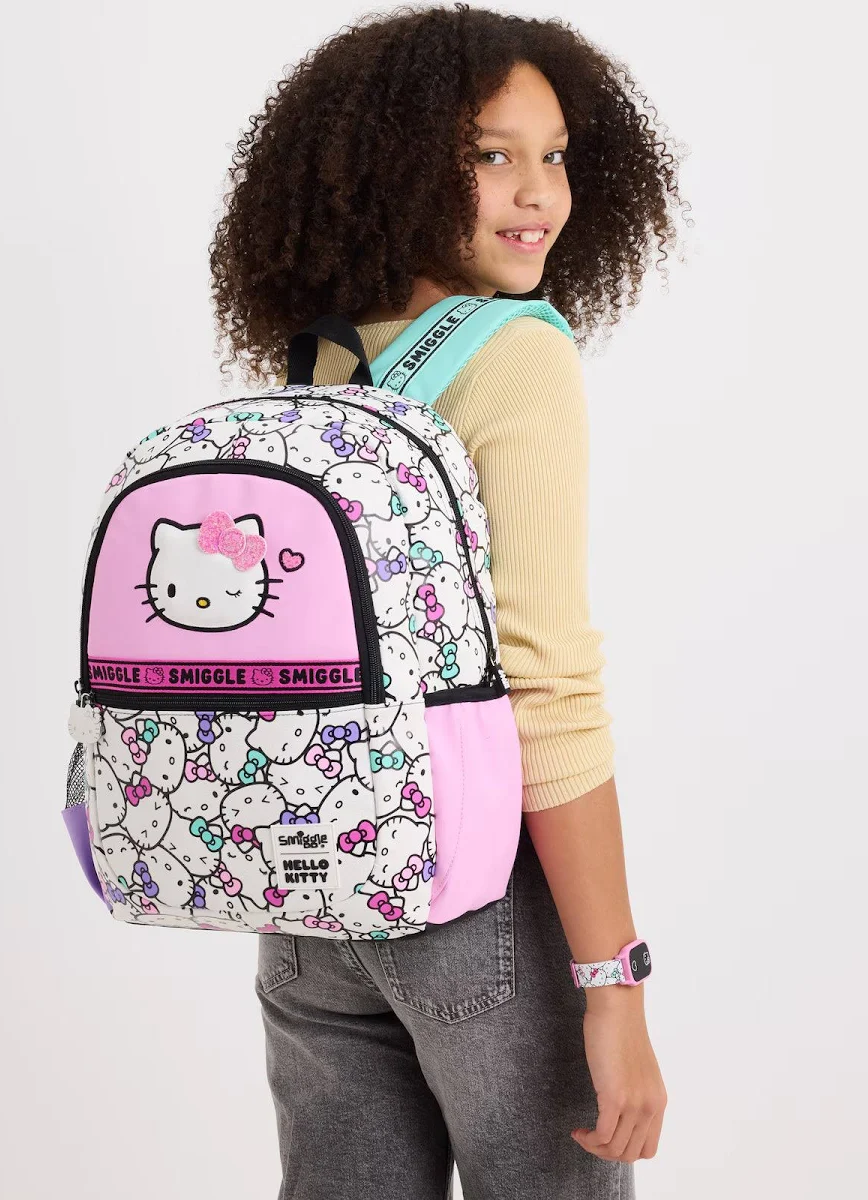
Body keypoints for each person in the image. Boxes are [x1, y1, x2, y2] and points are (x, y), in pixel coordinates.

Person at [210, 5, 685, 1196]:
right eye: (490, 155)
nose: (538, 194)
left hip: (312, 890)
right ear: (399, 167)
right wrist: (613, 984)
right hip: (476, 906)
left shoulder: (324, 357)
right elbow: (545, 684)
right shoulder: (515, 353)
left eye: (555, 154)